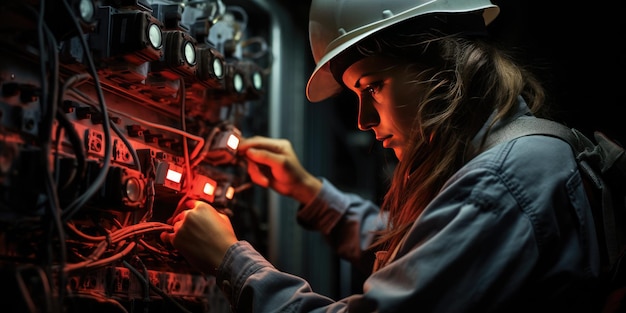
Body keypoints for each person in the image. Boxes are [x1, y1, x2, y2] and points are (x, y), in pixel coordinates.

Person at [160, 0, 604, 311]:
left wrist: (232, 262)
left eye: (371, 87)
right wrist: (310, 192)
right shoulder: (522, 156)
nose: (363, 119)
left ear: (441, 65)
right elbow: (428, 249)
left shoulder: (502, 181)